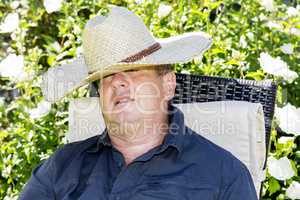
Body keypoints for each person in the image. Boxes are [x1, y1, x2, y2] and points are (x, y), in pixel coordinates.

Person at [19, 6, 258, 200]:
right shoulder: (62, 167)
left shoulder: (223, 175)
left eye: (132, 70)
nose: (118, 82)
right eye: (105, 76)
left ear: (167, 84)